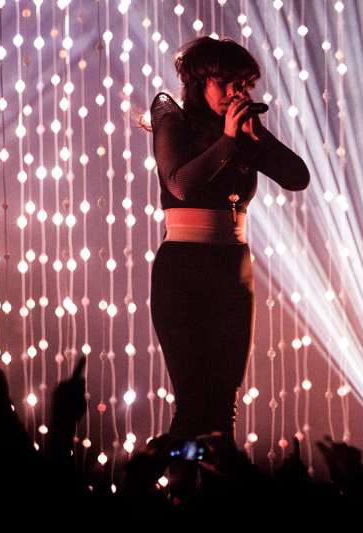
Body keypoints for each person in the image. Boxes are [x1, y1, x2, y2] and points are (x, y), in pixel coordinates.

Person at [147, 36, 309, 496]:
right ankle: (180, 488)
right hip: (184, 268)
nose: (238, 92)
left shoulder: (240, 129)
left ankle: (218, 499)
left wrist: (257, 140)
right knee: (193, 399)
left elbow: (297, 178)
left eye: (244, 83)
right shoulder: (170, 114)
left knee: (224, 399)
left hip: (232, 267)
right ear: (200, 80)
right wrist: (228, 140)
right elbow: (179, 184)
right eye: (227, 82)